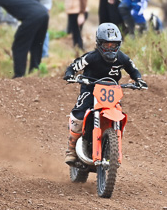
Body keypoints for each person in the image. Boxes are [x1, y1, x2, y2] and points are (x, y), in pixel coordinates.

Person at [62, 23, 147, 164]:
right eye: (107, 45)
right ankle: (71, 148)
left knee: (118, 112)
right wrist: (70, 74)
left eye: (114, 45)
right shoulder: (91, 57)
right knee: (79, 113)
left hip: (112, 90)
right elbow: (74, 66)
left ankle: (112, 144)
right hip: (90, 88)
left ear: (119, 45)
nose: (110, 48)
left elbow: (133, 70)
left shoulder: (122, 58)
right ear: (99, 44)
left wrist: (139, 80)